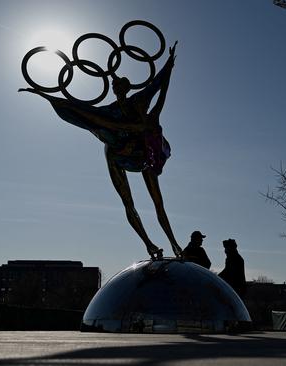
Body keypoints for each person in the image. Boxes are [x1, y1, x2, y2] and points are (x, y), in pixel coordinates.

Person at [19, 42, 181, 260]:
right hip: (118, 156)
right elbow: (80, 110)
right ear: (114, 91)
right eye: (115, 88)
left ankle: (173, 243)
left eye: (120, 87)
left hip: (143, 155)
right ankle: (149, 244)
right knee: (128, 203)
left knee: (158, 202)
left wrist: (169, 65)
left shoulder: (139, 102)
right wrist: (44, 94)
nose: (117, 90)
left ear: (127, 87)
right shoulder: (109, 112)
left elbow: (158, 87)